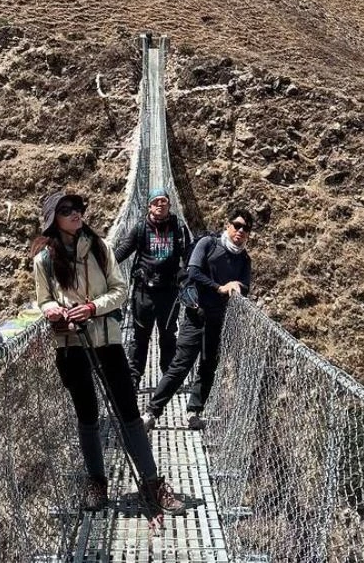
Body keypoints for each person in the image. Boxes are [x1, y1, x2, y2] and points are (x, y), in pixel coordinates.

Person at [31, 190, 185, 515]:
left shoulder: (100, 248)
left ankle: (152, 481)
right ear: (53, 220)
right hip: (71, 345)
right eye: (66, 210)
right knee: (86, 415)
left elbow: (120, 290)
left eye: (77, 208)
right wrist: (54, 311)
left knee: (128, 411)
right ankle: (96, 482)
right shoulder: (43, 260)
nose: (76, 213)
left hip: (108, 341)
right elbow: (43, 299)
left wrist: (90, 308)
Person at [142, 207, 254, 432]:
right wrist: (220, 288)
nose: (240, 231)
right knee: (181, 365)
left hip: (218, 320)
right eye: (237, 225)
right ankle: (151, 412)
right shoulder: (208, 244)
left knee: (208, 366)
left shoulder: (244, 259)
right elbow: (193, 272)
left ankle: (194, 412)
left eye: (246, 228)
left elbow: (246, 286)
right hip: (196, 315)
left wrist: (237, 286)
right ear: (228, 226)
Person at [113, 188, 194, 387]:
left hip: (169, 292)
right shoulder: (141, 227)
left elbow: (189, 255)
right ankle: (133, 379)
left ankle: (168, 378)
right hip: (144, 292)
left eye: (164, 201)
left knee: (168, 335)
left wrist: (193, 277)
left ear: (169, 204)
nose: (160, 204)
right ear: (149, 206)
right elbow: (123, 250)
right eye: (156, 201)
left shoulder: (179, 228)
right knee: (140, 337)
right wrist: (102, 265)